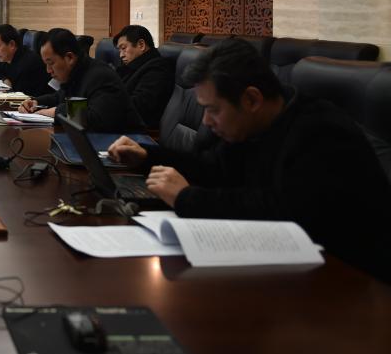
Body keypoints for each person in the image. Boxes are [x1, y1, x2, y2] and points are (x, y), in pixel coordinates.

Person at [108, 39, 391, 282]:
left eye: (213, 110)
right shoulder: (252, 125)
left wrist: (186, 198)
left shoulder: (322, 132)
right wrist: (148, 156)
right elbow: (213, 168)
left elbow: (283, 213)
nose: (206, 121)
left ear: (252, 99)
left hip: (350, 284)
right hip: (289, 273)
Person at [22, 28, 143, 132]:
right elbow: (60, 97)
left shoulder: (100, 76)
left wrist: (55, 112)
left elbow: (95, 119)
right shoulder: (76, 72)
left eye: (51, 63)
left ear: (69, 57)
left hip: (123, 143)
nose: (48, 70)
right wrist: (36, 102)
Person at [113, 24, 174, 131]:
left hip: (137, 131)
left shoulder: (157, 69)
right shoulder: (131, 66)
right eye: (119, 50)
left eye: (123, 48)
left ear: (141, 45)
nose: (121, 55)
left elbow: (138, 106)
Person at [0, 24, 52, 97]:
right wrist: (4, 79)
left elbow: (22, 96)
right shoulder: (5, 58)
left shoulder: (29, 64)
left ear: (12, 44)